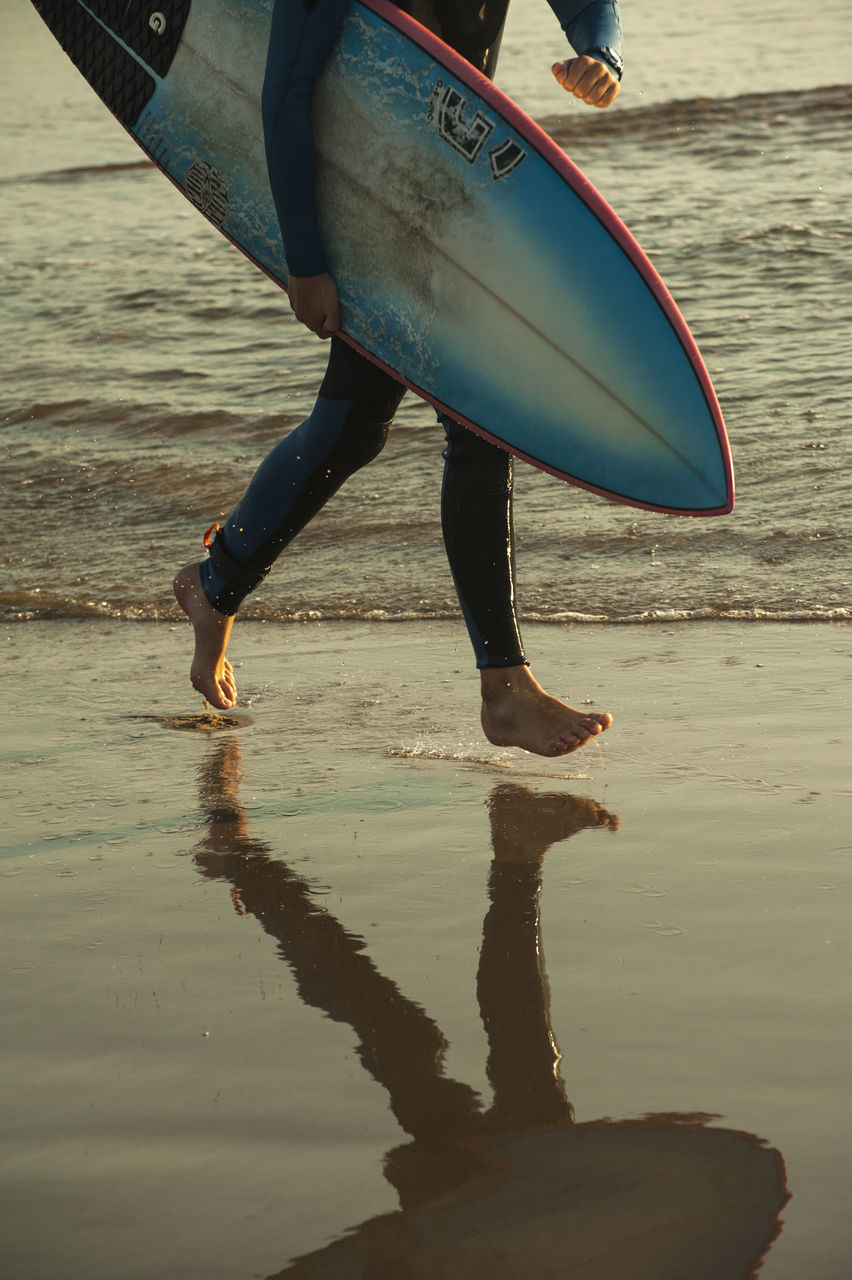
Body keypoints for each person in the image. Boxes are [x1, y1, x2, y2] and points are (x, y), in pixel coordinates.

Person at [174, 0, 622, 757]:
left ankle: (215, 584)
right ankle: (505, 693)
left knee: (353, 428)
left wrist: (601, 55)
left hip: (454, 199)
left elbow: (586, 4)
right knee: (468, 423)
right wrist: (307, 260)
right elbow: (284, 91)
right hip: (363, 200)